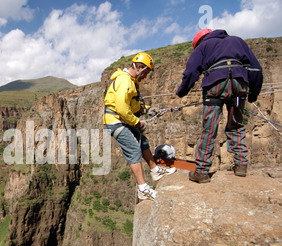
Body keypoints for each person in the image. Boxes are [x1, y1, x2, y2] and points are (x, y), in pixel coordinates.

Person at [176, 29, 263, 183]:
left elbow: (191, 72)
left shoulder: (203, 46)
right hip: (239, 84)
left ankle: (202, 171)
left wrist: (182, 92)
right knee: (235, 125)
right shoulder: (238, 41)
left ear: (199, 42)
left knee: (209, 128)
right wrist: (253, 94)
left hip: (215, 84)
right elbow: (256, 69)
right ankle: (241, 165)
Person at [104, 52, 176, 201]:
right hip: (115, 122)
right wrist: (137, 122)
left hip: (122, 120)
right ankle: (142, 188)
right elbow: (122, 108)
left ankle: (155, 170)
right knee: (134, 149)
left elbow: (133, 103)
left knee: (143, 142)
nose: (145, 77)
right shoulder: (125, 81)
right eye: (145, 73)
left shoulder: (130, 81)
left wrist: (147, 108)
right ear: (140, 67)